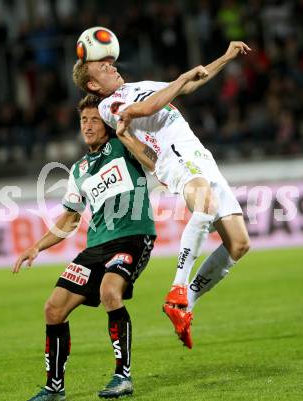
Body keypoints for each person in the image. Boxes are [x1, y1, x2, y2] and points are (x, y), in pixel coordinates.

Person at [72, 41, 251, 349]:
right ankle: (178, 287)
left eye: (110, 63)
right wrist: (180, 80)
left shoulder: (140, 85)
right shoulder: (107, 106)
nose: (112, 66)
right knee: (205, 205)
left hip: (200, 155)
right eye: (103, 67)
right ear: (92, 84)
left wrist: (226, 56)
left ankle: (185, 302)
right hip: (175, 156)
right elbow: (147, 108)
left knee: (239, 244)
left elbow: (190, 84)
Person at [13, 95, 157, 401]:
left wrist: (127, 134)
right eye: (83, 120)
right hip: (96, 246)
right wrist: (36, 247)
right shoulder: (78, 170)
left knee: (109, 291)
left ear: (105, 124)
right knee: (53, 308)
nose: (88, 126)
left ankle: (123, 376)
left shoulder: (122, 146)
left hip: (133, 236)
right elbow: (70, 219)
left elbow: (153, 162)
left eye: (94, 120)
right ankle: (54, 388)